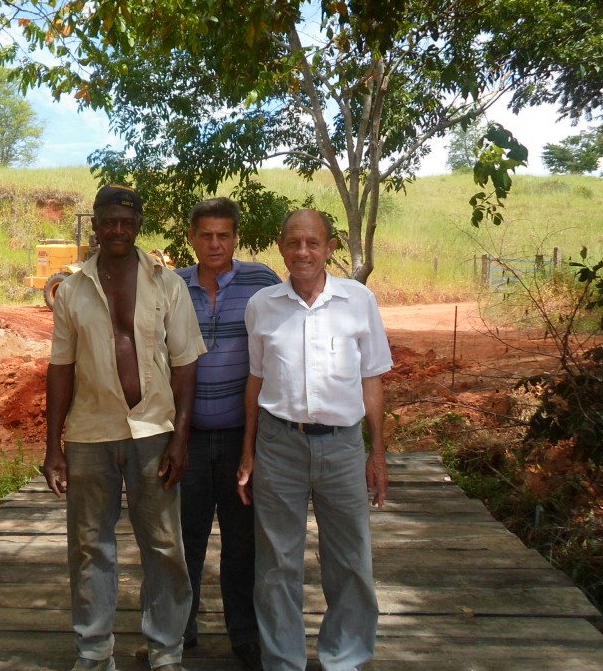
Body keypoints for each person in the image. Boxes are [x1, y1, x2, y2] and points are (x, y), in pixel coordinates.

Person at [42, 183, 206, 671]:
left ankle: (166, 650)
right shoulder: (71, 290)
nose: (118, 229)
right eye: (109, 221)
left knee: (164, 544)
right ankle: (94, 653)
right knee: (90, 546)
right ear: (95, 225)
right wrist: (53, 446)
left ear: (137, 226)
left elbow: (186, 364)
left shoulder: (166, 283)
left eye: (127, 222)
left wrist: (180, 437)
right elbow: (60, 369)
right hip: (91, 433)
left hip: (154, 431)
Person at [236, 209, 393, 671]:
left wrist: (377, 452)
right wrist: (248, 450)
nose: (303, 252)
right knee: (277, 564)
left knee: (349, 559)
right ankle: (283, 661)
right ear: (281, 247)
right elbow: (255, 380)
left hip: (343, 447)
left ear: (330, 248)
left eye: (313, 243)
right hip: (279, 445)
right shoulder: (262, 305)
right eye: (294, 243)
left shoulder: (359, 301)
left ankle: (344, 658)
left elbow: (372, 380)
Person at [174, 198, 280, 671]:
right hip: (187, 436)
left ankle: (245, 633)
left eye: (224, 235)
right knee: (184, 537)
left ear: (236, 237)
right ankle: (179, 631)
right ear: (192, 237)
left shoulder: (262, 282)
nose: (215, 244)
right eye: (206, 235)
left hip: (244, 436)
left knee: (242, 543)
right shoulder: (171, 285)